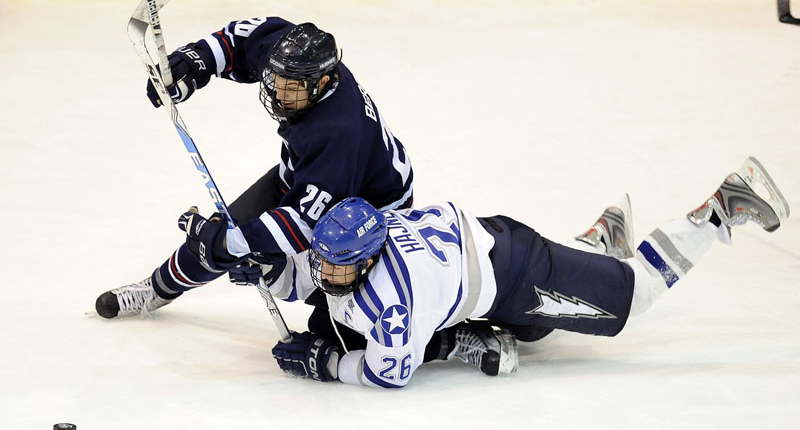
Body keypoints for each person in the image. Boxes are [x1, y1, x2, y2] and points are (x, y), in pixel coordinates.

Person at [257, 156, 788, 388]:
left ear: (369, 258)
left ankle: (722, 207)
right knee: (534, 335)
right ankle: (600, 242)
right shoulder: (361, 239)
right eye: (324, 257)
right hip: (492, 248)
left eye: (339, 264)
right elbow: (310, 274)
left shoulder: (393, 301)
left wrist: (329, 364)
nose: (325, 270)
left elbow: (389, 373)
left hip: (517, 273)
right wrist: (267, 268)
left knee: (638, 294)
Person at [94, 18, 418, 352]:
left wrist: (234, 243)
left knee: (336, 318)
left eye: (291, 88)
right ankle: (155, 289)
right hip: (309, 176)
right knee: (216, 238)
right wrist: (194, 62)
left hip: (366, 212)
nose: (278, 92)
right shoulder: (292, 58)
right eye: (276, 81)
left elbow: (301, 223)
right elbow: (241, 39)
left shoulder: (340, 133)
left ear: (321, 82)